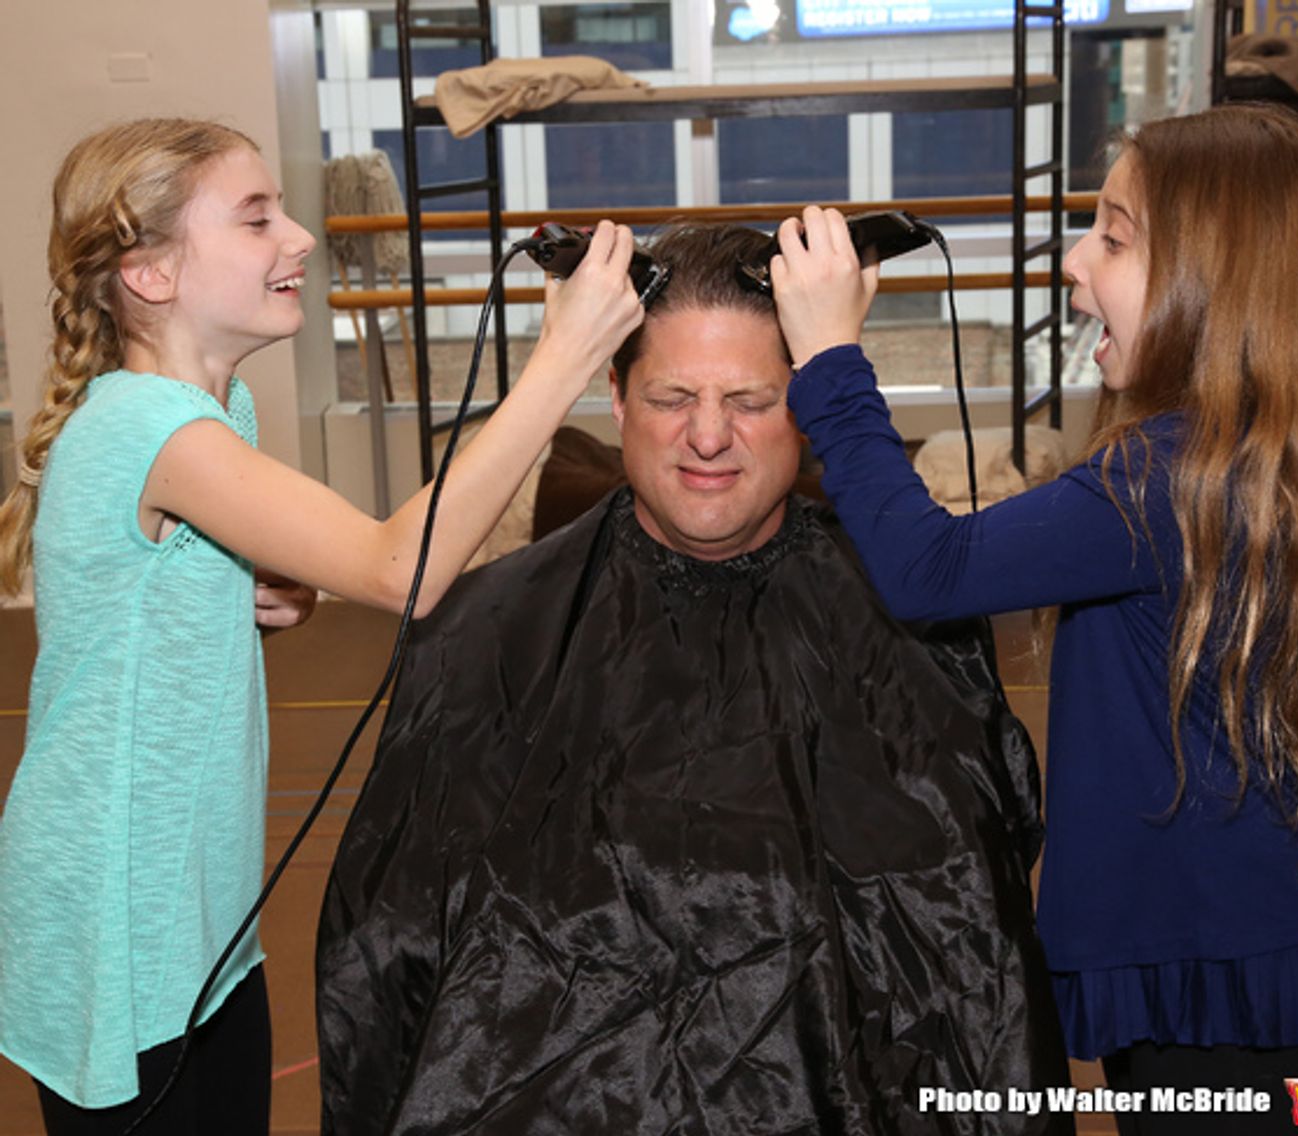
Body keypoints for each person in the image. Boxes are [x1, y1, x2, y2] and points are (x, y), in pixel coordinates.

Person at [316, 223, 1073, 1135]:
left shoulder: (915, 632)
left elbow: (972, 966)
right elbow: (386, 961)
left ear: (809, 401)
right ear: (615, 396)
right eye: (673, 396)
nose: (708, 437)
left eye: (751, 400)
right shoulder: (482, 633)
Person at [0, 117, 643, 1135]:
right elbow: (401, 566)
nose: (299, 237)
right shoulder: (145, 425)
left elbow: (193, 566)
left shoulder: (222, 411)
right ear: (152, 275)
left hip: (206, 923)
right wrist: (559, 362)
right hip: (112, 936)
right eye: (257, 218)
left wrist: (254, 590)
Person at [771, 104, 1298, 1134]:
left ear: (1216, 276)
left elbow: (927, 567)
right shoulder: (1268, 462)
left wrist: (829, 362)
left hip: (1215, 1000)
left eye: (1112, 234)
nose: (1072, 259)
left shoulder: (1165, 481)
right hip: (1288, 982)